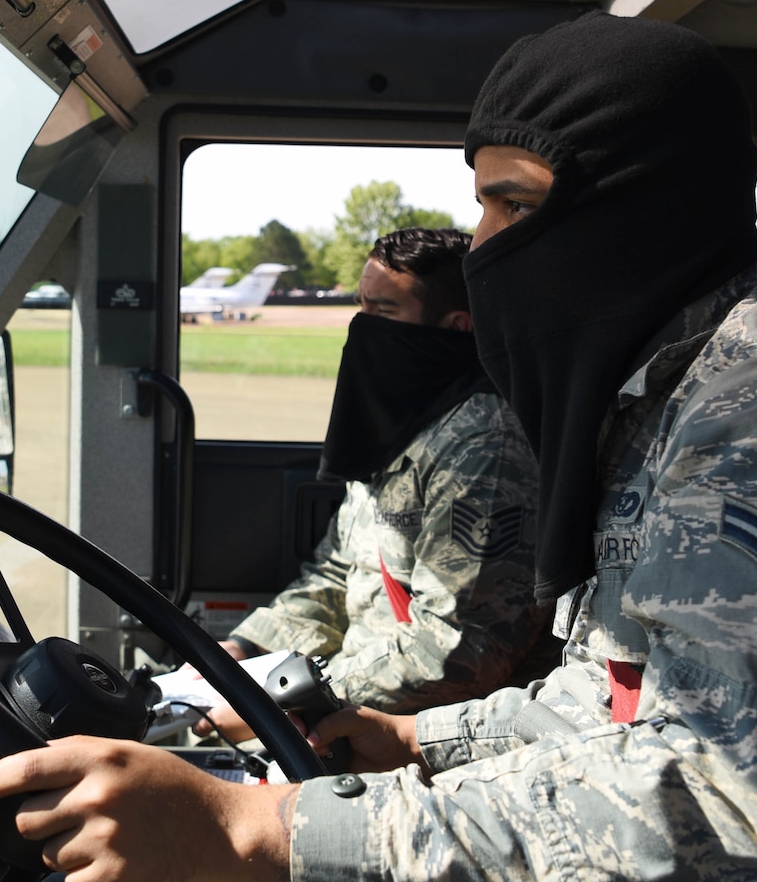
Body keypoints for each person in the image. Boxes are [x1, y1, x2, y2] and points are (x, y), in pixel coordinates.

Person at [0, 15, 757, 882]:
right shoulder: (667, 404)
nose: (484, 247)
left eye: (512, 207)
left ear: (638, 206)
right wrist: (407, 743)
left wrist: (245, 828)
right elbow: (612, 701)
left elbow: (702, 820)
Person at [202, 227, 551, 745]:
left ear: (455, 327)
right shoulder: (399, 429)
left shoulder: (485, 448)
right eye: (360, 307)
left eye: (383, 313)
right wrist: (245, 651)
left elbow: (458, 652)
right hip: (352, 697)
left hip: (425, 735)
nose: (362, 329)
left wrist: (288, 698)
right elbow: (338, 573)